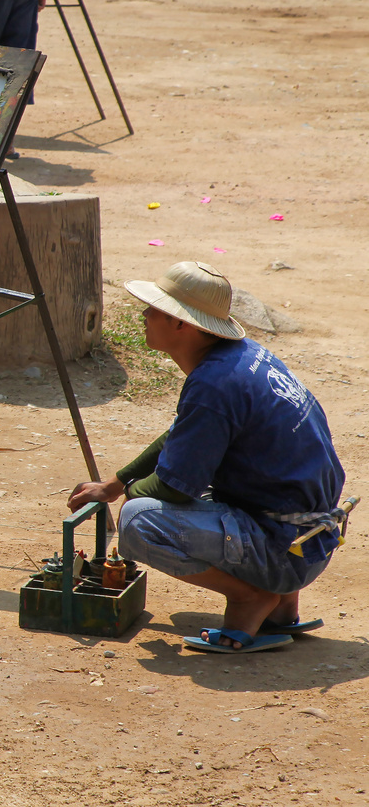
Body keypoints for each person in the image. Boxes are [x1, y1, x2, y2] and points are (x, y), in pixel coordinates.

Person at [68, 262, 347, 654]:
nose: (144, 315)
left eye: (155, 309)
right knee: (153, 496)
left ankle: (251, 598)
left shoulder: (214, 386)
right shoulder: (243, 358)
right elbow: (185, 433)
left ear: (183, 324)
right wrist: (113, 484)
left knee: (139, 519)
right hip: (309, 539)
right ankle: (283, 603)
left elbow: (173, 487)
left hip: (286, 550)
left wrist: (129, 494)